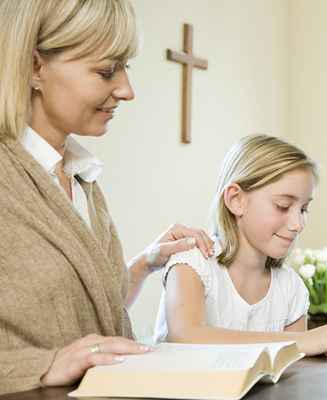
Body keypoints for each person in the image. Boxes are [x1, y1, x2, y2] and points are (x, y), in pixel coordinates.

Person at [0, 0, 213, 394]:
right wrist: (42, 365)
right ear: (34, 67)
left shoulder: (82, 180)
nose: (127, 90)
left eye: (125, 68)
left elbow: (82, 306)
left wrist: (144, 263)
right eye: (106, 71)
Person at [153, 135, 327, 357]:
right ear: (236, 200)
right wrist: (298, 341)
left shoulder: (290, 288)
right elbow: (186, 336)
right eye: (283, 206)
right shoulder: (192, 263)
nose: (298, 224)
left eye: (303, 209)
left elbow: (293, 369)